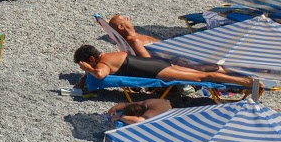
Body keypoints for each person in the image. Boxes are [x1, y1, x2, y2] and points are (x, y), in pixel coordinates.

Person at [73, 44, 254, 90]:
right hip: (156, 63)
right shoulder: (109, 55)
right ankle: (239, 70)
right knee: (203, 72)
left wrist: (87, 69)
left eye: (87, 62)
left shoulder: (103, 63)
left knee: (202, 77)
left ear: (91, 58)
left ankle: (244, 81)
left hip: (156, 71)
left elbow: (100, 75)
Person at [106, 97, 172, 127]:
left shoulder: (151, 113)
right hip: (166, 103)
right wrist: (113, 109)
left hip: (171, 117)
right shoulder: (144, 103)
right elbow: (125, 104)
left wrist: (120, 117)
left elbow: (139, 121)